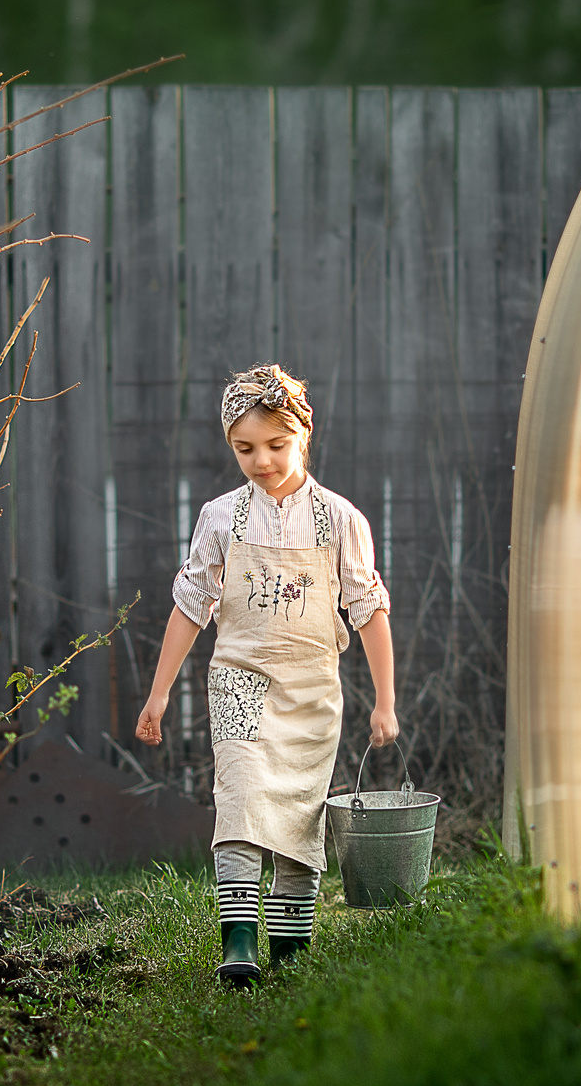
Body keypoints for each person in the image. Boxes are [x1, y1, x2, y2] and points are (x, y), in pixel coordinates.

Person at [135, 364, 396, 985]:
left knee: (301, 816)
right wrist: (159, 694)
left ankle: (289, 952)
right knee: (244, 798)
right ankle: (240, 948)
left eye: (276, 445)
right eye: (245, 448)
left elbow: (369, 610)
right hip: (240, 681)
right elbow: (190, 606)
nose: (261, 460)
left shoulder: (340, 520)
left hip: (311, 688)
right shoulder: (221, 518)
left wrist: (385, 702)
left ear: (305, 436)